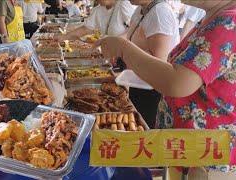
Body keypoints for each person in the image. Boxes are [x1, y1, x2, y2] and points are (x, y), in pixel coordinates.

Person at [96, 0, 236, 177]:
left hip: (207, 156)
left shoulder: (229, 23)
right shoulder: (212, 18)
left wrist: (124, 49)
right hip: (186, 149)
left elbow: (177, 82)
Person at [117, 0, 180, 128]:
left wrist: (126, 53)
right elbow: (131, 36)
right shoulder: (141, 10)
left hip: (152, 90)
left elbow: (159, 63)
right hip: (138, 81)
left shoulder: (160, 12)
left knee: (143, 130)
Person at [55, 0, 137, 41]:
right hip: (109, 52)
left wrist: (115, 43)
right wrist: (63, 37)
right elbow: (85, 29)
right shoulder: (98, 9)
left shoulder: (124, 4)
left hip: (124, 54)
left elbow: (134, 30)